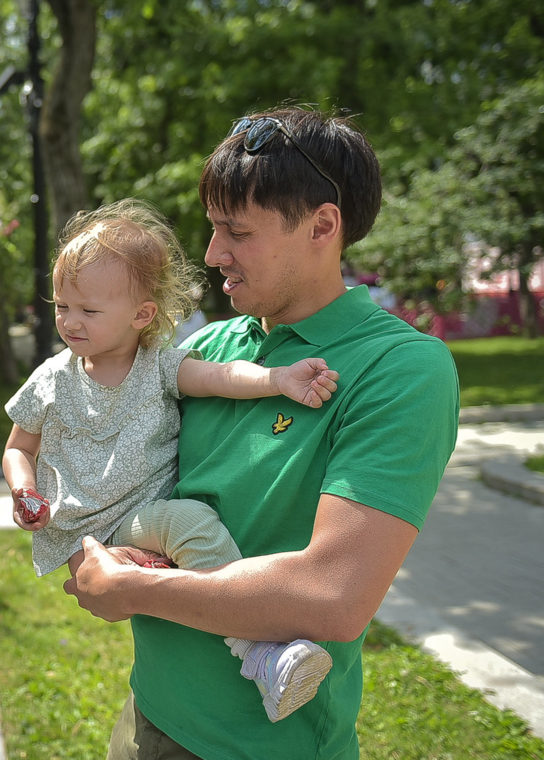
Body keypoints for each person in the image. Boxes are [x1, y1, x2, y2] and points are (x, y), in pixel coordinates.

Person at [62, 108, 459, 759]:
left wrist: (133, 589)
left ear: (322, 226)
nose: (214, 253)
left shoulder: (401, 369)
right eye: (215, 229)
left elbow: (332, 596)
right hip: (148, 717)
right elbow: (109, 472)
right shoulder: (211, 351)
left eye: (235, 232)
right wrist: (94, 554)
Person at [2, 198, 340, 723]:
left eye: (89, 310)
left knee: (189, 525)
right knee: (185, 531)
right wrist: (25, 490)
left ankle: (257, 650)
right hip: (79, 534)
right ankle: (261, 650)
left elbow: (221, 377)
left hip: (139, 518)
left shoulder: (158, 366)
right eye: (61, 306)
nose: (70, 321)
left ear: (142, 315)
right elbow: (18, 447)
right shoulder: (51, 378)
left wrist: (278, 379)